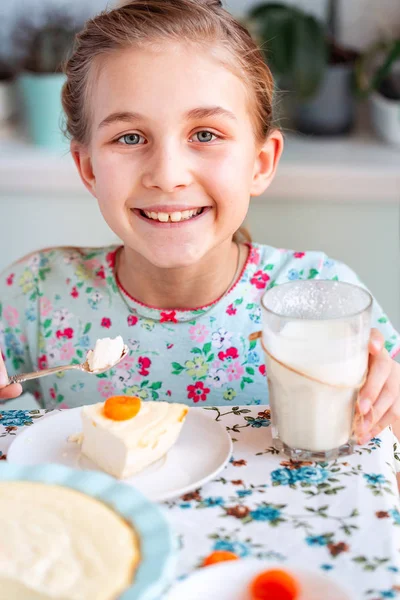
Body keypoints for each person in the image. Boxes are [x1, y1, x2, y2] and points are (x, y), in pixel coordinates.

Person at [0, 0, 399, 448]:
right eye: (129, 138)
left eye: (205, 134)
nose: (168, 176)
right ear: (88, 168)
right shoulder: (34, 295)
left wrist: (392, 408)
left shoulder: (322, 296)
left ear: (260, 163)